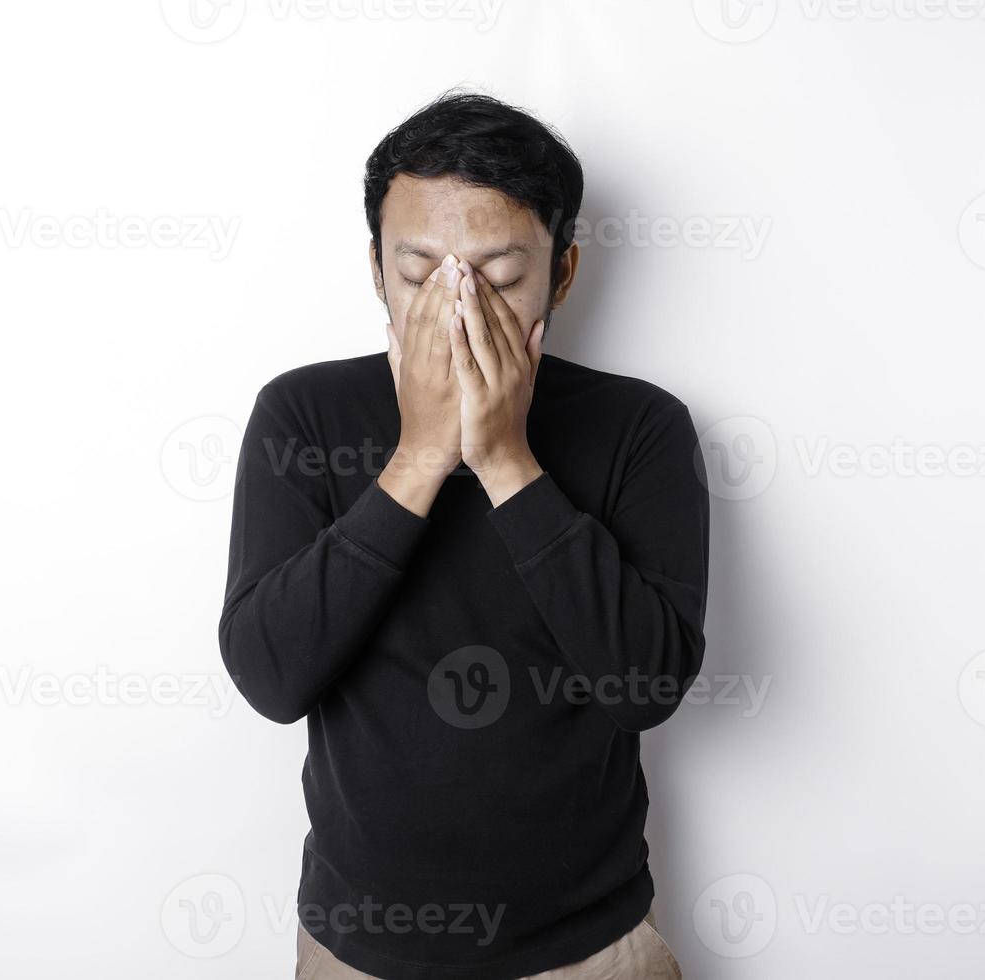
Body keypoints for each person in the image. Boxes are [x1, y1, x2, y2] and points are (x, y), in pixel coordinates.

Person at [219, 91, 709, 979]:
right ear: (375, 268)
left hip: (592, 948)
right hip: (357, 950)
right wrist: (415, 461)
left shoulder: (642, 426)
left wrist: (507, 460)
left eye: (500, 273)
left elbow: (649, 683)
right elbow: (269, 677)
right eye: (419, 272)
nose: (458, 306)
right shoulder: (303, 413)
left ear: (562, 273)